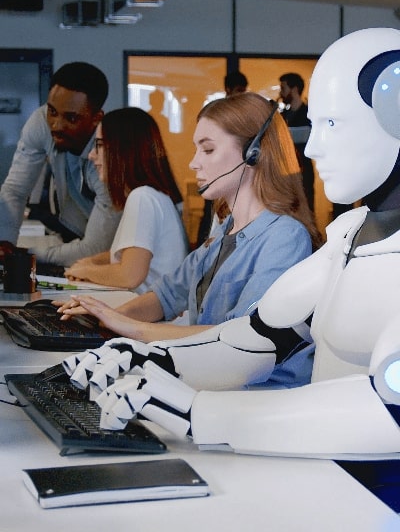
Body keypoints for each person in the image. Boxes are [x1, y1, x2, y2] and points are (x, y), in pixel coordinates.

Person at [63, 28, 400, 462]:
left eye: (333, 124)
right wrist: (146, 360)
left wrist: (197, 412)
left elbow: (387, 413)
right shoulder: (347, 234)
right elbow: (253, 339)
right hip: (319, 472)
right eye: (315, 125)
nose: (313, 147)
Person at [60, 91, 321, 389]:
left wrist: (134, 329)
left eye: (207, 150)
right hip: (210, 384)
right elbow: (165, 296)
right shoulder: (225, 230)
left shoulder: (284, 238)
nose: (194, 163)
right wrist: (105, 318)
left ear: (254, 154)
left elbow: (239, 339)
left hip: (255, 398)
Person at [0, 62, 121, 267]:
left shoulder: (110, 158)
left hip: (115, 252)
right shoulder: (40, 123)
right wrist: (5, 243)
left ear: (96, 118)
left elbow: (95, 249)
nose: (56, 125)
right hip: (76, 228)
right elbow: (15, 190)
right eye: (52, 111)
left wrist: (25, 254)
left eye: (71, 118)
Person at [64, 107, 188, 291]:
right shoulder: (152, 196)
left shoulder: (142, 198)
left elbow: (129, 275)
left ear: (122, 148)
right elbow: (132, 255)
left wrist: (85, 271)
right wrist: (93, 261)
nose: (91, 155)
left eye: (98, 145)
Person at [197, 69, 249, 246]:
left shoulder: (244, 116)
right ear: (228, 89)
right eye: (237, 90)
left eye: (243, 90)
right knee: (213, 215)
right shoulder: (218, 115)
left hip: (238, 174)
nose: (240, 95)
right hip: (219, 174)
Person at [279, 72, 315, 211]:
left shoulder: (308, 114)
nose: (281, 93)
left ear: (294, 89)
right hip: (285, 171)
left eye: (283, 88)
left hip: (303, 169)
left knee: (306, 208)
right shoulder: (282, 116)